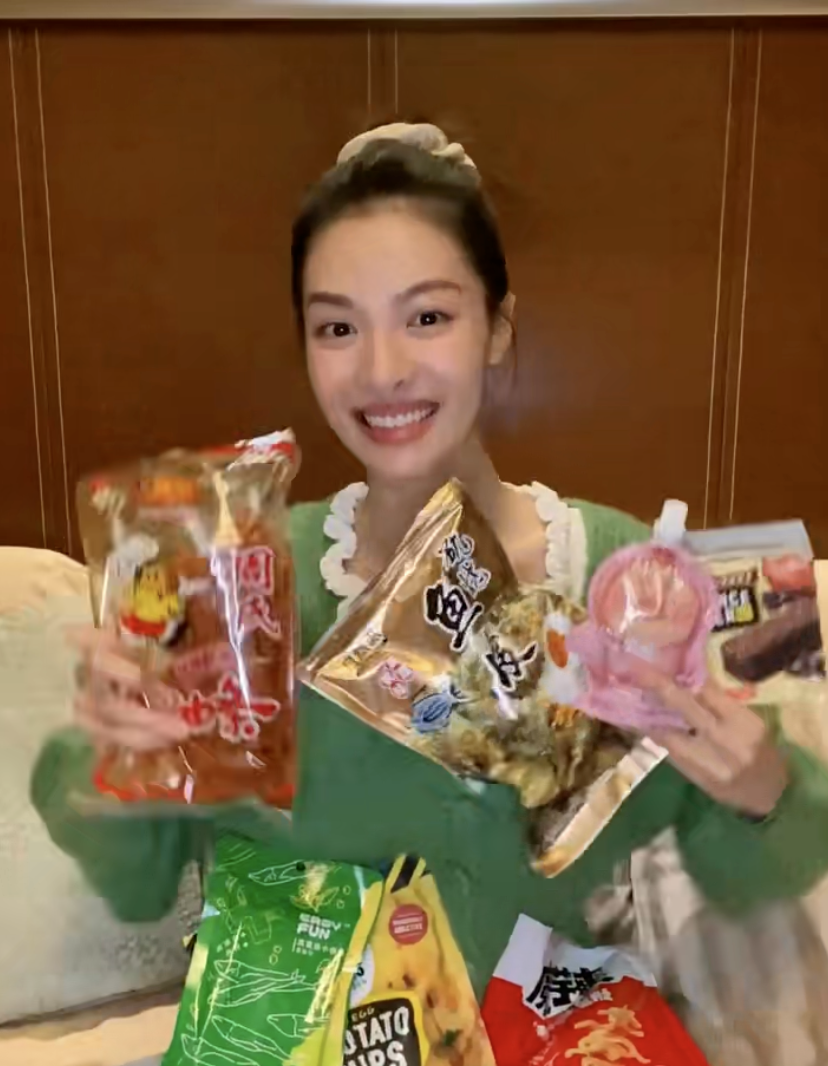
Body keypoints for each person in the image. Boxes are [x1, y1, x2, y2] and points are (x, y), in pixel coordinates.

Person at [32, 122, 828, 997]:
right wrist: (119, 756)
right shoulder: (244, 579)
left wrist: (763, 790)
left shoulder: (621, 573)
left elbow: (744, 872)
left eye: (428, 317)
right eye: (338, 326)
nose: (383, 370)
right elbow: (138, 885)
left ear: (497, 327)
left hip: (551, 1047)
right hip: (297, 1050)